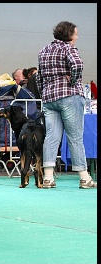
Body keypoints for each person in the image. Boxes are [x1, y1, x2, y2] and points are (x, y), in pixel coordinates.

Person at [36, 20, 96, 189]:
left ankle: (48, 177)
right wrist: (75, 81)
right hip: (69, 96)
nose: (77, 37)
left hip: (49, 98)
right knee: (75, 137)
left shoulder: (44, 51)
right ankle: (85, 178)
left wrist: (45, 94)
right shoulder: (69, 48)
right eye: (76, 34)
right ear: (69, 35)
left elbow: (39, 77)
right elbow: (77, 64)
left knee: (51, 137)